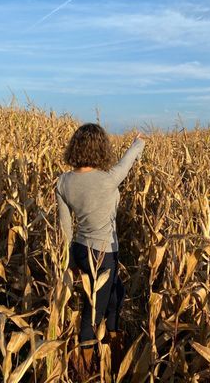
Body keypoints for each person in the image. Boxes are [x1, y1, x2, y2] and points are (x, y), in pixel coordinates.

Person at [56, 123, 145, 378]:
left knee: (116, 292)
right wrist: (138, 142)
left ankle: (113, 347)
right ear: (101, 149)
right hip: (104, 254)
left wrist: (69, 260)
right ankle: (87, 369)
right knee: (93, 310)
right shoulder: (108, 179)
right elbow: (127, 162)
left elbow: (65, 228)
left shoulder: (64, 182)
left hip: (82, 250)